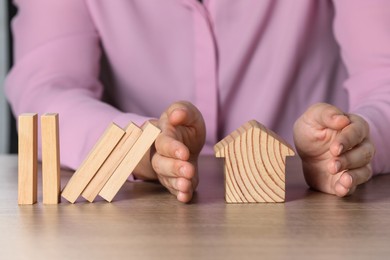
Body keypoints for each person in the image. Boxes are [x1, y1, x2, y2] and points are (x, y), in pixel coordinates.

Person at [6, 0, 388, 203]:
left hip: (306, 207)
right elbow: (45, 89)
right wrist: (136, 145)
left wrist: (358, 138)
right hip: (146, 211)